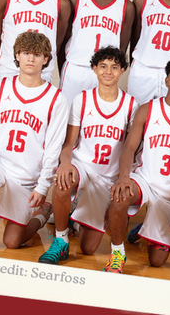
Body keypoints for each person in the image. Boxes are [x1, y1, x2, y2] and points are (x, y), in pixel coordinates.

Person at [0, 31, 67, 255]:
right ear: (17, 55)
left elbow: (53, 149)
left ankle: (42, 215)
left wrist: (43, 186)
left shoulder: (56, 99)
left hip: (27, 175)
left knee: (12, 242)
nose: (30, 58)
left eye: (37, 54)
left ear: (46, 59)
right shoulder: (1, 86)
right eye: (25, 53)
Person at [0, 0, 71, 224]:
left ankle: (32, 189)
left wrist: (43, 63)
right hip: (9, 71)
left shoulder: (60, 1)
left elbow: (58, 39)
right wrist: (3, 62)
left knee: (36, 136)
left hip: (41, 76)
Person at [103, 54, 170, 273]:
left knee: (157, 261)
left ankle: (144, 227)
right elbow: (128, 149)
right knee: (120, 195)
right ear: (166, 80)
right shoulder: (148, 109)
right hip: (143, 181)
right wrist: (124, 177)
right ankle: (117, 254)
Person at [39, 46, 136, 264]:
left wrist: (123, 177)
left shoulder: (131, 105)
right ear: (94, 69)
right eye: (103, 66)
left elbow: (130, 150)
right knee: (63, 179)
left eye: (114, 67)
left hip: (108, 177)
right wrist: (65, 163)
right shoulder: (82, 99)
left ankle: (75, 218)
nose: (108, 71)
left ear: (122, 71)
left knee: (88, 248)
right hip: (82, 167)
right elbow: (68, 144)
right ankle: (61, 240)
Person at [59, 0, 135, 101]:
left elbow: (122, 48)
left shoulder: (126, 6)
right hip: (75, 69)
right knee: (67, 113)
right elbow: (63, 40)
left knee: (98, 116)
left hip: (105, 73)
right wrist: (65, 66)